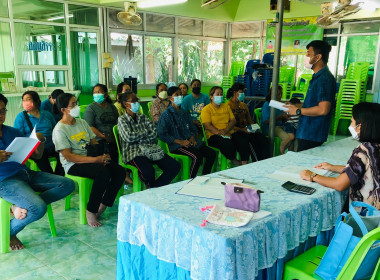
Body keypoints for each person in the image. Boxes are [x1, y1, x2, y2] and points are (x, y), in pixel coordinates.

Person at [0, 93, 74, 250]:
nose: (1, 115)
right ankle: (8, 232)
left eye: (2, 110)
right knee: (38, 208)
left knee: (67, 184)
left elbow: (37, 155)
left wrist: (39, 140)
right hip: (5, 181)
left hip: (25, 173)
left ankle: (25, 204)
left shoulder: (11, 132)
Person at [52, 93, 126, 227]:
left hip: (91, 157)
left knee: (120, 171)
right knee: (102, 172)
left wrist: (104, 156)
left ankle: (103, 205)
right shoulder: (59, 129)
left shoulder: (82, 122)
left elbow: (94, 143)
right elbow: (68, 156)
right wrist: (96, 160)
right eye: (73, 104)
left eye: (76, 103)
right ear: (63, 110)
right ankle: (91, 210)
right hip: (73, 164)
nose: (77, 107)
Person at [300, 102, 380, 210]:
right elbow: (364, 170)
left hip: (368, 215)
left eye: (352, 121)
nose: (350, 125)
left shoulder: (363, 151)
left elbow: (339, 184)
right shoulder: (376, 146)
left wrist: (313, 175)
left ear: (359, 126)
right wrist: (333, 167)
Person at [118, 91, 180, 188]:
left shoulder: (143, 117)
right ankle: (151, 188)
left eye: (137, 100)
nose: (136, 103)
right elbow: (129, 137)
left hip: (151, 149)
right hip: (134, 152)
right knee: (148, 172)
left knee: (174, 166)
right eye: (133, 101)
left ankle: (153, 188)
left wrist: (140, 135)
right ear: (125, 104)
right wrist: (146, 132)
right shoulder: (122, 119)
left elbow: (154, 133)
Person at [286, 40, 336, 152]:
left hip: (312, 133)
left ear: (318, 57)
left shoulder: (324, 79)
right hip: (306, 131)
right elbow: (313, 104)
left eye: (308, 53)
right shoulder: (317, 77)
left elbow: (323, 109)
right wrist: (296, 106)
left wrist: (298, 111)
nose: (306, 56)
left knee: (303, 166)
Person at [158, 86, 216, 178]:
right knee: (197, 156)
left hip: (190, 142)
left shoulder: (184, 113)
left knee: (211, 153)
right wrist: (180, 141)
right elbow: (162, 134)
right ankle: (191, 179)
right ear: (170, 98)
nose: (180, 96)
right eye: (176, 95)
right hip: (177, 145)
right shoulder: (166, 115)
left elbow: (193, 128)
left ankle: (205, 176)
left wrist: (192, 137)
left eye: (180, 94)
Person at [82, 84, 132, 185]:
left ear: (105, 94)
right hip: (99, 139)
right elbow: (90, 127)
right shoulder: (91, 108)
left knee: (130, 146)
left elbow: (118, 123)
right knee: (110, 149)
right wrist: (104, 136)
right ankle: (114, 176)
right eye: (95, 92)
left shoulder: (112, 107)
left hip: (113, 136)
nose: (96, 94)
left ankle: (125, 173)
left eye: (99, 92)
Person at [14, 91, 64, 175]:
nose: (26, 102)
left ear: (36, 100)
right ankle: (50, 175)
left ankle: (59, 175)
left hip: (50, 142)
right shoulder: (21, 117)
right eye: (24, 100)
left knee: (63, 149)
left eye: (28, 99)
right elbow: (18, 136)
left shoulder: (46, 114)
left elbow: (55, 130)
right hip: (33, 144)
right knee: (40, 153)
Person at [201, 86, 250, 165]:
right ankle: (234, 160)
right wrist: (220, 133)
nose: (220, 96)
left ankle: (244, 163)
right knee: (228, 144)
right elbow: (207, 126)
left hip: (228, 131)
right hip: (213, 135)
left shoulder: (226, 106)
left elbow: (233, 121)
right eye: (217, 94)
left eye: (221, 94)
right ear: (211, 97)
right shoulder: (206, 109)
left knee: (243, 141)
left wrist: (225, 131)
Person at [227, 83, 270, 161]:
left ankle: (266, 161)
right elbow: (228, 124)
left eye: (243, 92)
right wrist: (242, 130)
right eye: (241, 92)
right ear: (234, 93)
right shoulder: (228, 106)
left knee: (262, 138)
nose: (243, 94)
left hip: (246, 130)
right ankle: (257, 162)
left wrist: (254, 128)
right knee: (252, 141)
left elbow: (249, 120)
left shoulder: (243, 105)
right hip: (236, 131)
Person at [261, 86, 292, 154]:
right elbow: (266, 121)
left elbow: (283, 119)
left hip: (280, 127)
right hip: (269, 128)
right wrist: (280, 116)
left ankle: (289, 154)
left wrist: (286, 117)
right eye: (278, 94)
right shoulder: (267, 105)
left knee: (293, 135)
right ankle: (281, 151)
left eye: (281, 94)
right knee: (287, 138)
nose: (280, 96)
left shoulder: (279, 104)